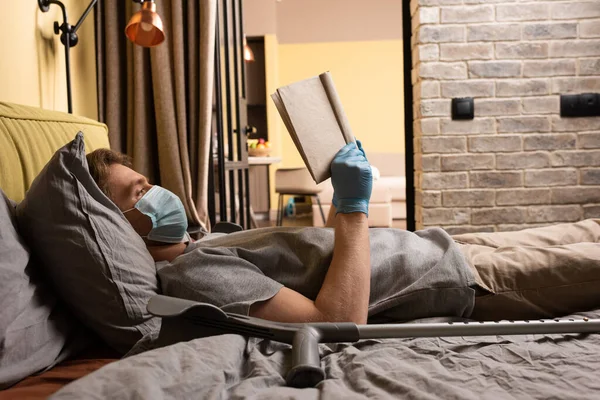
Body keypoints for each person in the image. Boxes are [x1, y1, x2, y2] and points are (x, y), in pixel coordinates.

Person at [86, 143, 600, 326]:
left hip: (446, 244)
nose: (156, 191)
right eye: (137, 194)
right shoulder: (191, 274)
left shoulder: (204, 242)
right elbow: (333, 321)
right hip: (466, 278)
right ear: (116, 226)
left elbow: (325, 256)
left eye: (147, 181)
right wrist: (350, 209)